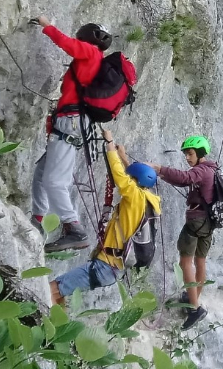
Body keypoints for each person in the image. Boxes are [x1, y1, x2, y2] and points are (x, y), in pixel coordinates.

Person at [49, 129, 161, 306]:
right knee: (60, 292)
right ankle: (56, 321)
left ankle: (43, 319)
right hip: (112, 268)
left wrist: (110, 143)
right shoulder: (148, 199)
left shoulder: (135, 196)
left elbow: (120, 177)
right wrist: (123, 157)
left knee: (51, 289)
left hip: (106, 266)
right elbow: (132, 178)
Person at [30, 16, 111, 252]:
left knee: (54, 182)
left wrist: (47, 26)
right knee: (41, 174)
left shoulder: (91, 52)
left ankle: (74, 228)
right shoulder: (96, 58)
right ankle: (37, 219)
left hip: (70, 122)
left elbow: (68, 45)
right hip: (72, 121)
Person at [149, 136, 219, 330]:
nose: (187, 158)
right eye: (186, 154)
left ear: (200, 154)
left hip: (196, 221)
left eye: (190, 154)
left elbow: (185, 178)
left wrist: (159, 169)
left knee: (185, 262)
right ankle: (193, 297)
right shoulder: (213, 170)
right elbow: (187, 180)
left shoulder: (201, 170)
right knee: (200, 261)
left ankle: (194, 309)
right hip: (209, 222)